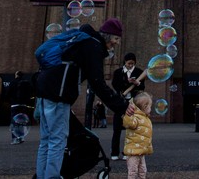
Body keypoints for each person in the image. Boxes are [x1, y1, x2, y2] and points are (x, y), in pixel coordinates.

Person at [36, 18, 135, 179]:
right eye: (116, 39)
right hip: (58, 94)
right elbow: (97, 83)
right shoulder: (93, 46)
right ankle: (51, 177)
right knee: (57, 140)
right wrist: (122, 106)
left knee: (46, 140)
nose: (116, 43)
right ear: (107, 36)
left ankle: (42, 176)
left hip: (45, 90)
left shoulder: (82, 40)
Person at [110, 52, 146, 160]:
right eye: (129, 63)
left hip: (132, 103)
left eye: (133, 63)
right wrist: (127, 81)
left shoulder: (139, 72)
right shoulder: (118, 72)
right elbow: (115, 85)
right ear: (125, 62)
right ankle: (114, 153)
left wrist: (137, 83)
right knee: (117, 129)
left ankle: (127, 152)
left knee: (130, 129)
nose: (131, 65)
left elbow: (142, 87)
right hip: (120, 102)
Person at [122, 91, 154, 179]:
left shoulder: (144, 117)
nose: (151, 109)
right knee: (133, 171)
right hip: (133, 151)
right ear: (145, 107)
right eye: (150, 107)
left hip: (141, 151)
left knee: (143, 170)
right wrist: (128, 115)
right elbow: (128, 123)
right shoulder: (135, 117)